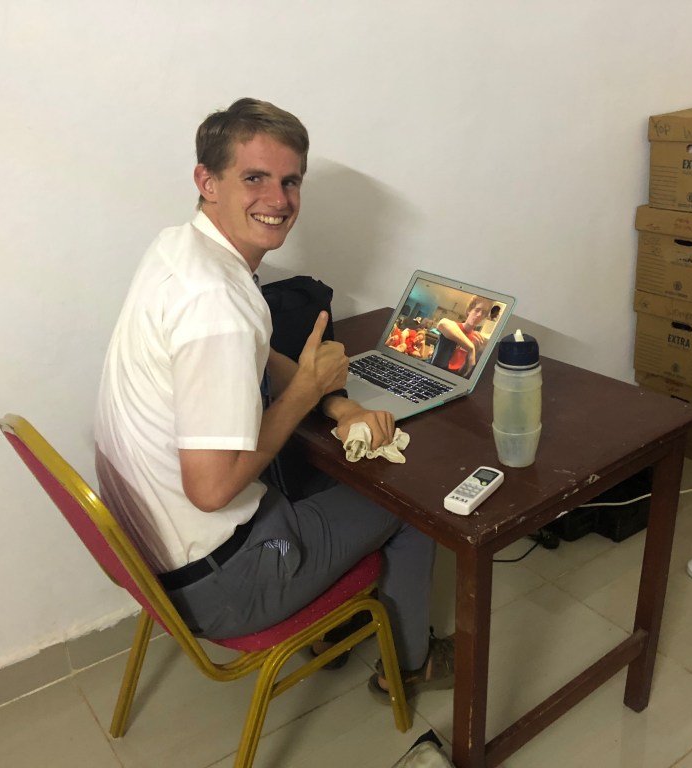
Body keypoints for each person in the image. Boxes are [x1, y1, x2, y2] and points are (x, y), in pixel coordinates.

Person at [93, 97, 453, 700]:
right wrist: (307, 390)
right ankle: (412, 667)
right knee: (409, 502)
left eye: (290, 181)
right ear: (207, 181)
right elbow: (211, 490)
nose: (278, 200)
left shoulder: (181, 250)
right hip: (224, 582)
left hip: (149, 559)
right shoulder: (218, 308)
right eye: (254, 178)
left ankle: (332, 630)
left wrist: (336, 404)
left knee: (320, 470)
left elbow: (259, 354)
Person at [432, 296, 493, 377]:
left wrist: (473, 354)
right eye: (477, 310)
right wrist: (471, 348)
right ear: (469, 310)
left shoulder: (476, 339)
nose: (479, 315)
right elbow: (442, 323)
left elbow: (464, 372)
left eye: (484, 313)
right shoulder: (453, 327)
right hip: (434, 372)